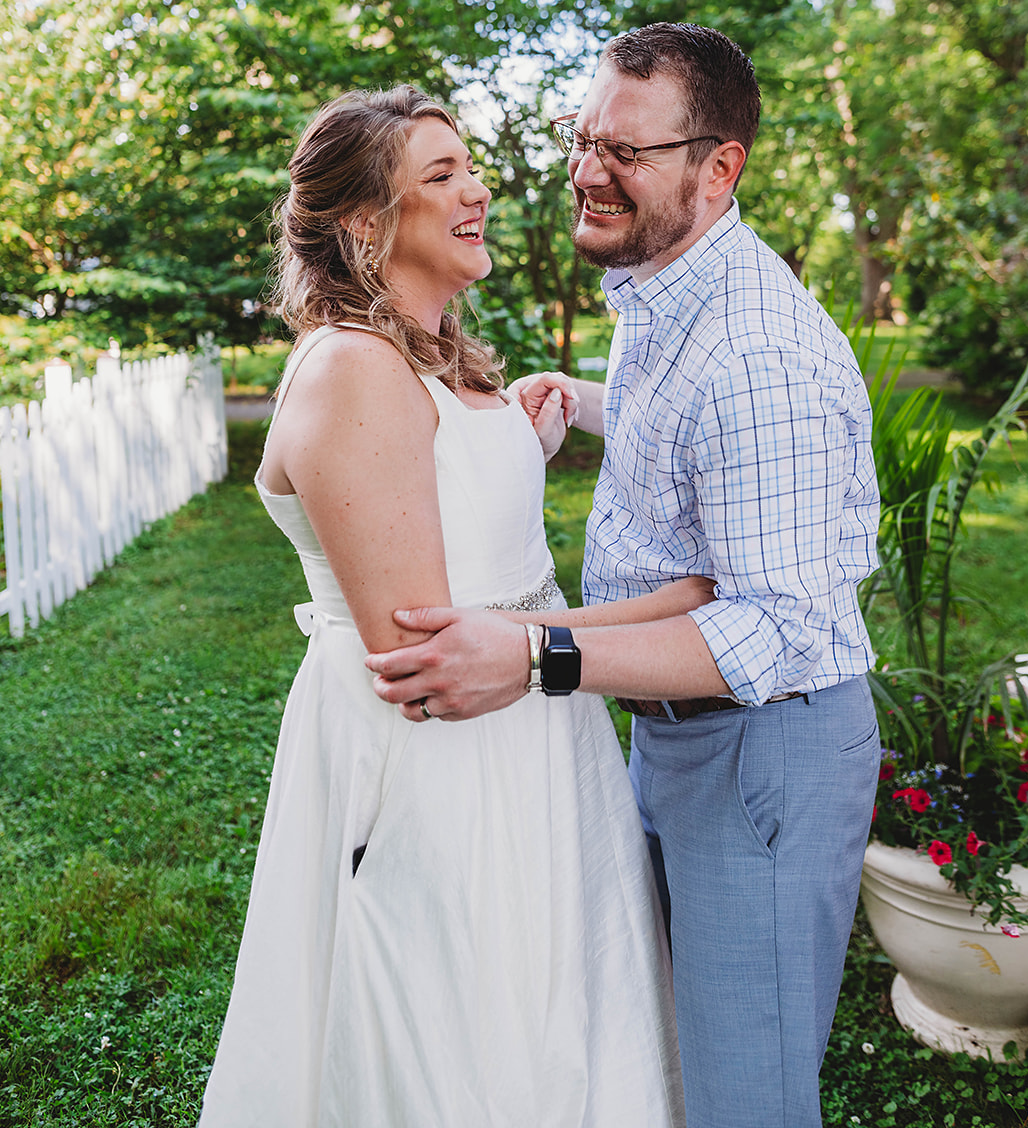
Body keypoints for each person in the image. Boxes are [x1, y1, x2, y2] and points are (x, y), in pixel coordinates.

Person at [367, 26, 882, 1128]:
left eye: (627, 152)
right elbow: (702, 444)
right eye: (582, 135)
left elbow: (771, 632)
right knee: (671, 1067)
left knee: (746, 1096)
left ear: (719, 166)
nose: (587, 171)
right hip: (676, 734)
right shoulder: (672, 283)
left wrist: (541, 655)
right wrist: (594, 401)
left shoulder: (758, 352)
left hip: (765, 755)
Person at [199, 84, 693, 1128]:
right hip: (444, 761)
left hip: (533, 738)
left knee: (553, 1007)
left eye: (469, 168)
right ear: (366, 225)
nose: (478, 190)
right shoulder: (353, 370)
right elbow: (434, 654)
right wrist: (663, 615)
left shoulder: (433, 357)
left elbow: (466, 537)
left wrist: (516, 443)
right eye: (441, 176)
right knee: (464, 1037)